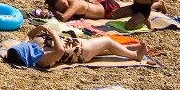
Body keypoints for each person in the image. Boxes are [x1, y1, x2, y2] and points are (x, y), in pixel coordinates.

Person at [9, 20, 151, 70]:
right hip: (82, 52)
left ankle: (127, 49)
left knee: (105, 49)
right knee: (107, 41)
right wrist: (53, 34)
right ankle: (135, 55)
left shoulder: (29, 46)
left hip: (79, 45)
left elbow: (30, 34)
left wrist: (41, 28)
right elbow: (59, 51)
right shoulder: (40, 59)